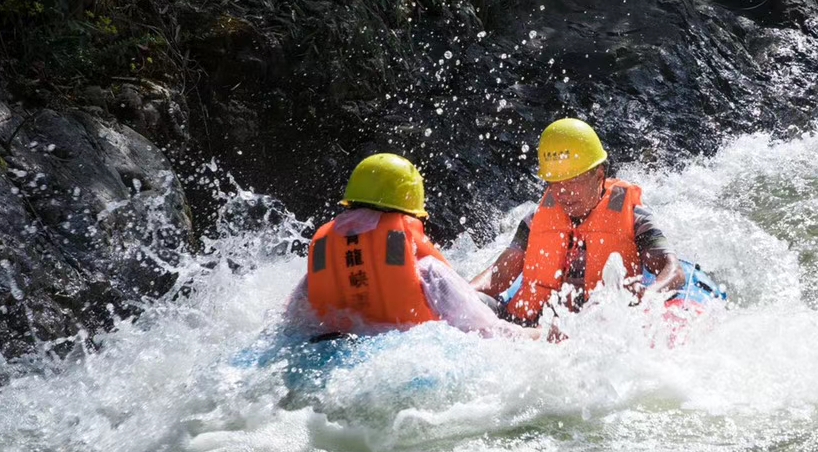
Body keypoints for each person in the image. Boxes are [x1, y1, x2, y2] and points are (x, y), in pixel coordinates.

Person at [282, 153, 535, 339]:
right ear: (410, 214)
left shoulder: (322, 267)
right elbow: (491, 331)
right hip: (409, 360)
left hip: (332, 363)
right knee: (486, 304)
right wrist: (543, 337)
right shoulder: (428, 272)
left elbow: (288, 326)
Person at [474, 118, 684, 326]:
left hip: (595, 327)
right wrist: (464, 292)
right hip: (534, 321)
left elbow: (673, 271)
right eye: (555, 183)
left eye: (574, 180)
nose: (564, 192)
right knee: (472, 303)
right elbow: (498, 275)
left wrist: (647, 298)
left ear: (599, 175)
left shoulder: (634, 216)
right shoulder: (534, 219)